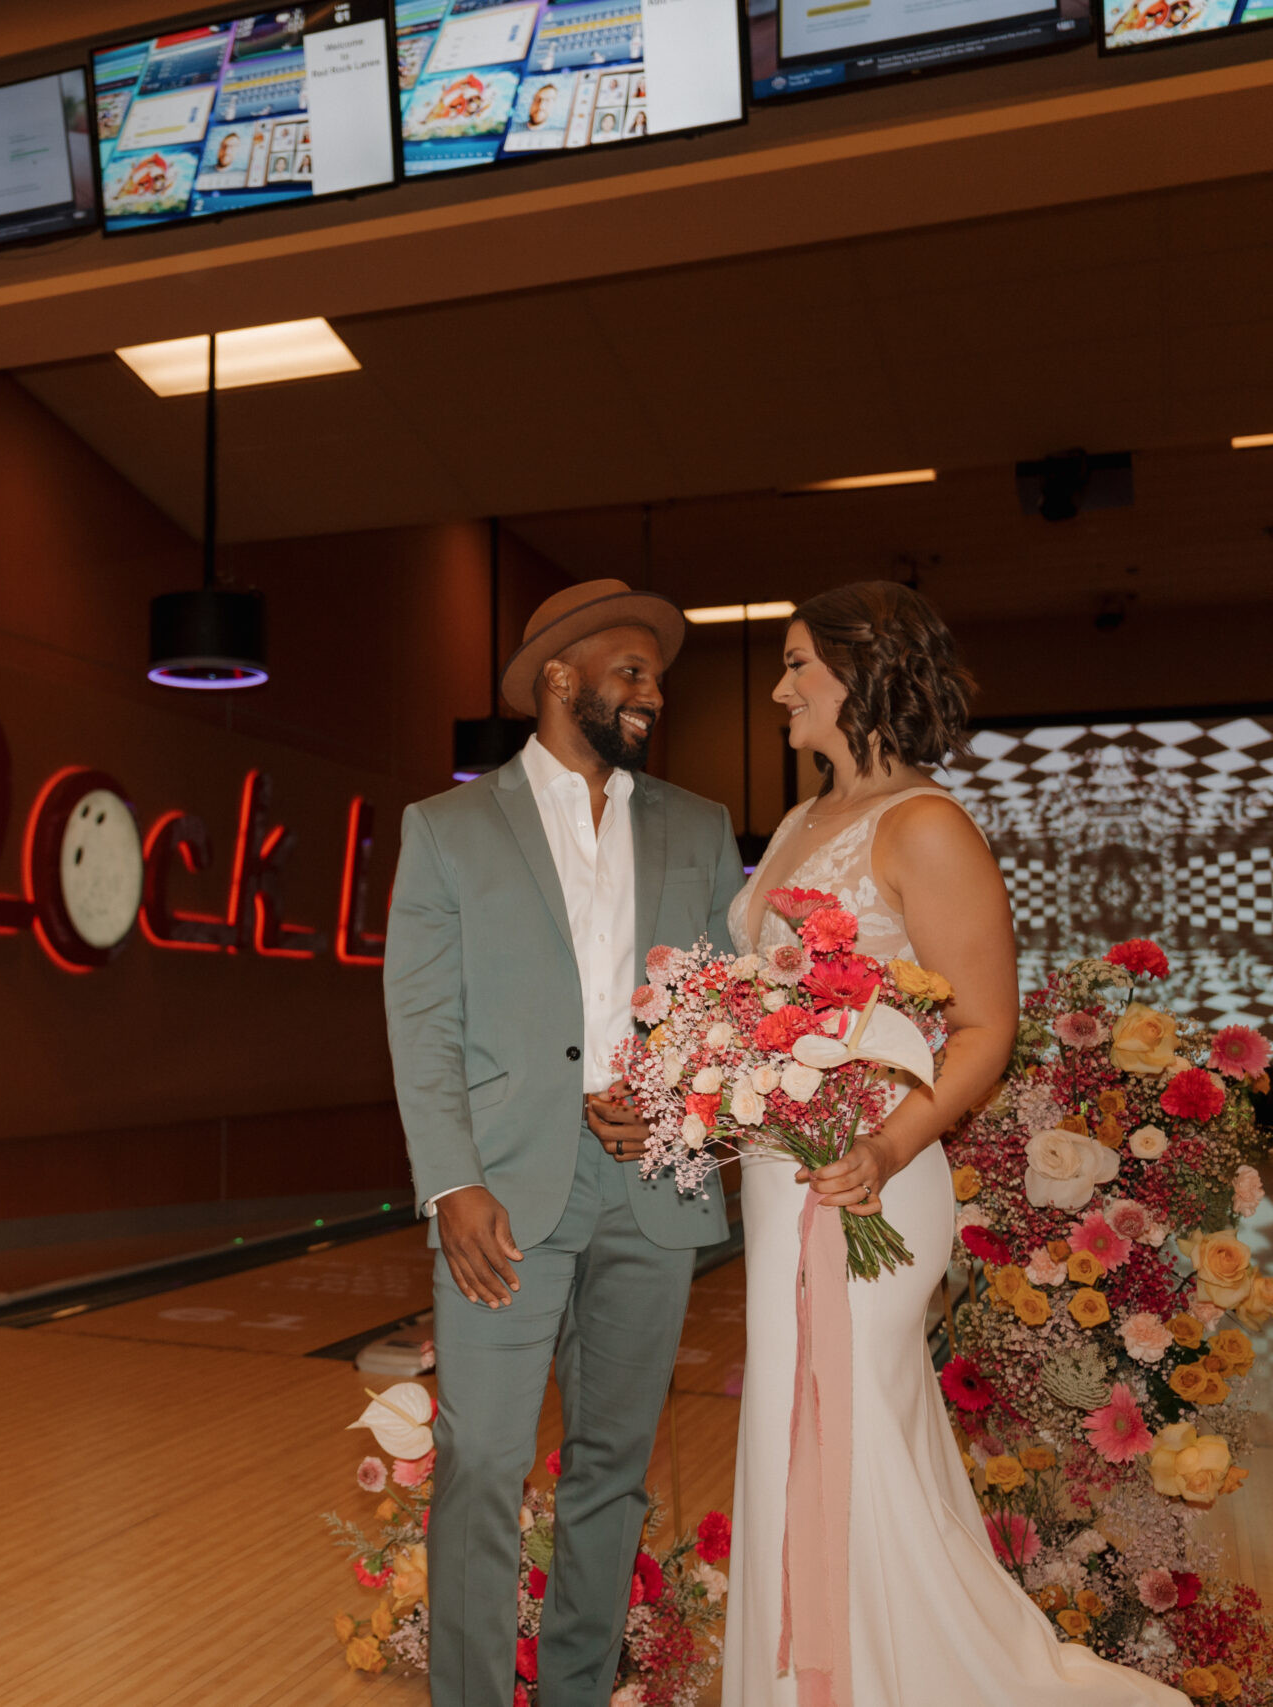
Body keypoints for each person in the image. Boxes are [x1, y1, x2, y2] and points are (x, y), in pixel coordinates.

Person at [720, 582, 1185, 1706]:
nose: (779, 687)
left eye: (796, 665)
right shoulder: (798, 823)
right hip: (784, 1181)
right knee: (799, 1436)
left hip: (871, 1183)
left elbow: (985, 1028)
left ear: (863, 674)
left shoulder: (923, 825)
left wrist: (883, 1146)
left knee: (839, 1436)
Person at [384, 579, 744, 1707]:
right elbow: (420, 1018)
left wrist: (675, 1095)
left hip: (651, 1185)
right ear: (558, 678)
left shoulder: (694, 827)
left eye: (656, 680)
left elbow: (719, 1009)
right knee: (482, 1467)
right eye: (631, 673)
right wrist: (452, 1182)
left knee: (612, 1473)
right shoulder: (445, 829)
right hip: (499, 1195)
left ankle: (581, 1692)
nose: (651, 695)